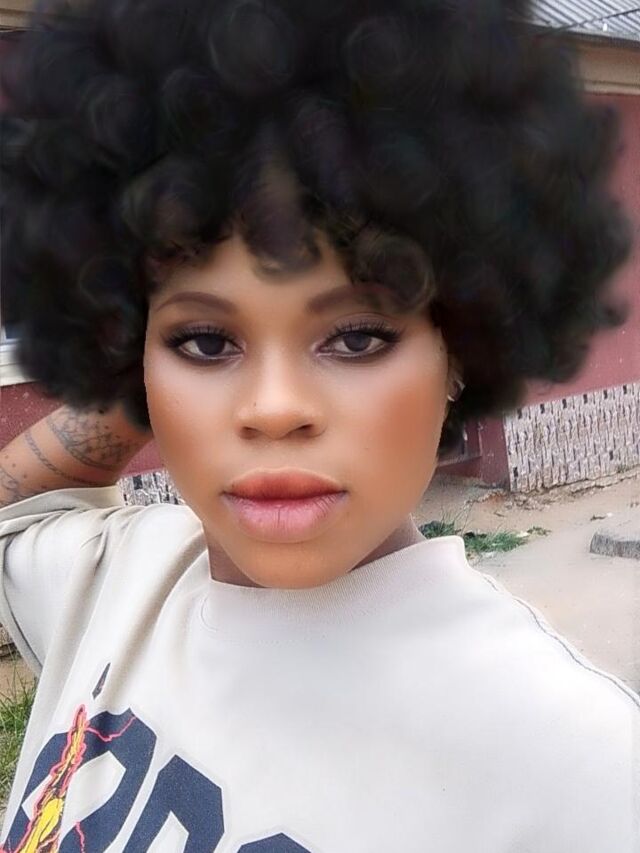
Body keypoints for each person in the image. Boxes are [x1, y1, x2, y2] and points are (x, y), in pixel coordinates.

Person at [0, 0, 637, 850]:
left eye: (358, 336)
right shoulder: (113, 579)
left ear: (466, 347)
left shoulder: (578, 770)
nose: (274, 407)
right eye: (204, 340)